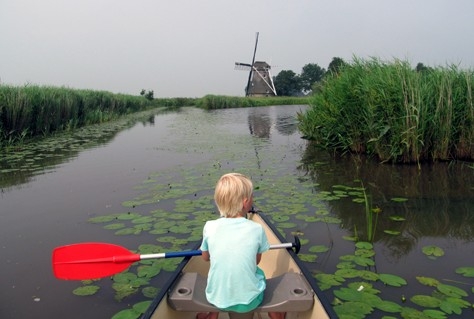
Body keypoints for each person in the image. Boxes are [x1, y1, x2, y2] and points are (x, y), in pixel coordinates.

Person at [196, 173, 285, 319]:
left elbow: (205, 258)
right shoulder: (256, 229)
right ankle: (274, 312)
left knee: (217, 278)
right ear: (245, 203)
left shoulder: (210, 227)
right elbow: (256, 261)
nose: (253, 199)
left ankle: (213, 314)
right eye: (252, 197)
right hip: (248, 302)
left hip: (217, 298)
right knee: (260, 274)